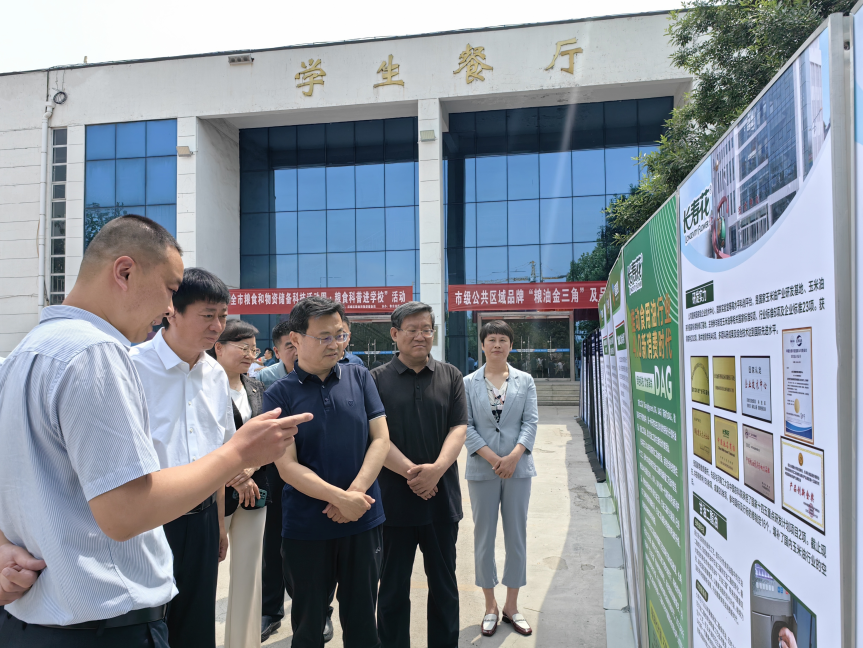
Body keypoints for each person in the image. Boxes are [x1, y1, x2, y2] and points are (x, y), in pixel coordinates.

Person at [0, 215, 308, 647]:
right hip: (104, 623)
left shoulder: (19, 356)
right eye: (169, 290)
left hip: (34, 620)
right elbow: (125, 512)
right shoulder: (98, 353)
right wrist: (238, 453)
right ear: (124, 272)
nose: (167, 309)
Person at [129, 268, 262, 648]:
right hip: (149, 518)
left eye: (222, 315)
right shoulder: (133, 366)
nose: (218, 326)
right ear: (172, 310)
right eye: (208, 315)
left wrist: (219, 523)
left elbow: (219, 455)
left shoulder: (215, 376)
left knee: (197, 622)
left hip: (203, 518)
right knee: (149, 624)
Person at [265, 296, 390, 648]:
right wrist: (338, 499)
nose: (335, 344)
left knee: (364, 621)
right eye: (324, 337)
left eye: (340, 335)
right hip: (306, 527)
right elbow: (287, 466)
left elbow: (380, 439)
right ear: (296, 339)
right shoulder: (278, 395)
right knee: (308, 625)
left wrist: (354, 497)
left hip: (363, 519)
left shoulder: (360, 376)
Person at [371, 301, 467, 648]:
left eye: (426, 329)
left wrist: (437, 471)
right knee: (393, 589)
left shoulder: (451, 375)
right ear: (395, 334)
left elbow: (458, 428)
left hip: (442, 504)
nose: (420, 336)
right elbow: (375, 437)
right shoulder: (376, 380)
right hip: (393, 507)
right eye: (411, 329)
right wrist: (416, 475)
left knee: (444, 585)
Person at [464, 320, 537, 638]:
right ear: (482, 345)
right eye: (491, 339)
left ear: (511, 345)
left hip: (518, 469)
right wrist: (495, 459)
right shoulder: (467, 383)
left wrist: (513, 456)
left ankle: (512, 605)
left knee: (516, 536)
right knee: (484, 538)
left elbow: (531, 421)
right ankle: (490, 605)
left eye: (503, 340)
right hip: (483, 470)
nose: (497, 344)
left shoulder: (525, 381)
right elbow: (464, 426)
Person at [210, 319, 270, 648]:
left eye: (253, 348)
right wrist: (234, 474)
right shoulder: (202, 387)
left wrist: (248, 471)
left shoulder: (257, 387)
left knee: (249, 576)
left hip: (253, 493)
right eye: (242, 347)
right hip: (212, 495)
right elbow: (204, 444)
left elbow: (267, 439)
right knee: (205, 578)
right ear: (218, 347)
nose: (250, 354)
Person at [258, 320, 295, 389]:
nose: (297, 352)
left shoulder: (317, 375)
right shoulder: (264, 377)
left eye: (301, 345)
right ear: (277, 352)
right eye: (291, 347)